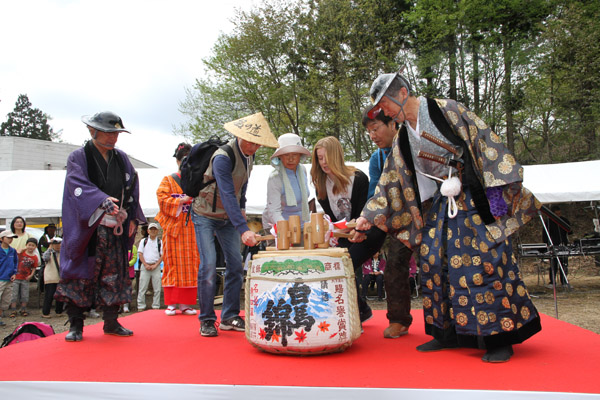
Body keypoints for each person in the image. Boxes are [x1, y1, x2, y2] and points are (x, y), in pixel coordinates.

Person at [355, 71, 541, 362]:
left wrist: (496, 197)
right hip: (443, 202)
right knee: (434, 260)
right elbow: (391, 179)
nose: (385, 111)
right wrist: (369, 214)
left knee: (483, 263)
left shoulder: (448, 111)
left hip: (473, 197)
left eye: (385, 104)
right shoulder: (403, 136)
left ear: (402, 94)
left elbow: (485, 143)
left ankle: (499, 336)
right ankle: (449, 333)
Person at [55, 111, 145, 342]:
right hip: (88, 228)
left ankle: (111, 321)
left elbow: (132, 186)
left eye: (116, 133)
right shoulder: (79, 157)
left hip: (115, 226)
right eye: (108, 132)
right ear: (91, 131)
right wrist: (100, 200)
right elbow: (77, 185)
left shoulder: (121, 158)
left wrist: (133, 216)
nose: (113, 137)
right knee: (80, 274)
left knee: (114, 274)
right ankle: (76, 324)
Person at [191, 112, 278, 337]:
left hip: (228, 217)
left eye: (258, 143)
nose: (254, 147)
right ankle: (207, 319)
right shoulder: (223, 157)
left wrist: (242, 209)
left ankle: (229, 315)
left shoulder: (250, 157)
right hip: (205, 214)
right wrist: (243, 228)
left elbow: (241, 189)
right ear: (239, 136)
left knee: (236, 265)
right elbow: (227, 193)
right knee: (209, 265)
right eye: (250, 141)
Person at [360, 107, 417, 339]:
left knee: (435, 268)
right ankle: (399, 320)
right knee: (394, 266)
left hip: (427, 216)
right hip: (396, 221)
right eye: (369, 132)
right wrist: (366, 219)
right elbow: (375, 192)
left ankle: (447, 321)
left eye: (376, 129)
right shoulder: (377, 158)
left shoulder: (412, 145)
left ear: (393, 124)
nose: (373, 135)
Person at [311, 136, 373, 323]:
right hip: (340, 234)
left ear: (336, 156)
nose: (323, 163)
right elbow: (330, 215)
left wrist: (356, 229)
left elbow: (365, 210)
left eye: (326, 157)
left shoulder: (359, 178)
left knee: (350, 269)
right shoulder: (320, 184)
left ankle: (356, 311)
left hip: (361, 231)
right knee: (342, 272)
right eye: (319, 158)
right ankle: (359, 310)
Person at [155, 143, 200, 316]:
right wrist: (182, 200)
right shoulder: (168, 179)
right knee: (172, 264)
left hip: (192, 227)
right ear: (177, 161)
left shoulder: (197, 179)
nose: (186, 163)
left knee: (191, 264)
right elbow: (162, 199)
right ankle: (172, 303)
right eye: (183, 160)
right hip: (174, 226)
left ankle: (186, 304)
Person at [262, 133, 311, 231]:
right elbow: (274, 211)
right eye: (286, 155)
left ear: (300, 155)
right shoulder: (275, 178)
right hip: (278, 225)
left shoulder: (303, 170)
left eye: (294, 154)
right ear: (280, 156)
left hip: (301, 224)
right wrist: (286, 229)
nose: (291, 159)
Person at [543, 205, 572, 289]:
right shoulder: (548, 222)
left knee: (564, 264)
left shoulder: (564, 220)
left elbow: (570, 231)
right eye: (557, 214)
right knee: (554, 264)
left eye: (559, 214)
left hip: (563, 244)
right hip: (553, 245)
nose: (558, 215)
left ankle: (564, 281)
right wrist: (547, 245)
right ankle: (552, 281)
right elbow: (545, 235)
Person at [9, 237, 39, 317]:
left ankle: (23, 309)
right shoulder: (21, 253)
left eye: (33, 245)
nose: (30, 247)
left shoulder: (34, 257)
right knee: (14, 294)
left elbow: (34, 267)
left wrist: (31, 275)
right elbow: (15, 257)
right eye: (29, 245)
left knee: (25, 294)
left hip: (25, 278)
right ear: (26, 245)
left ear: (35, 247)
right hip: (16, 277)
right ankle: (13, 310)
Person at [137, 223, 163, 311]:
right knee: (142, 287)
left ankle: (156, 305)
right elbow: (140, 253)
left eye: (154, 229)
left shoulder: (160, 242)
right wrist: (145, 264)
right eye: (151, 229)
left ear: (157, 231)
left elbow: (162, 255)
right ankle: (141, 305)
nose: (153, 231)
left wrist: (156, 265)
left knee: (157, 288)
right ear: (148, 231)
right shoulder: (143, 241)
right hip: (145, 266)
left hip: (156, 266)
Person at [41, 237, 64, 318]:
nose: (58, 246)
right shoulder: (49, 252)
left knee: (60, 296)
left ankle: (59, 311)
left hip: (61, 277)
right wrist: (50, 248)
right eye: (55, 244)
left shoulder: (64, 252)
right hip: (50, 277)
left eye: (59, 244)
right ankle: (46, 312)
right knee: (49, 295)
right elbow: (45, 258)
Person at [0, 230, 18, 327]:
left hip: (9, 279)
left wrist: (14, 273)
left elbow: (15, 263)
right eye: (8, 237)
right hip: (0, 278)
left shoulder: (13, 251)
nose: (10, 239)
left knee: (5, 300)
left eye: (12, 238)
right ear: (1, 239)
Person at [122, 243, 137, 313]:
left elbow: (135, 258)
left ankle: (126, 306)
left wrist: (128, 264)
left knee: (127, 289)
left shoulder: (133, 247)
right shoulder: (119, 246)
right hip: (120, 270)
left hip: (129, 271)